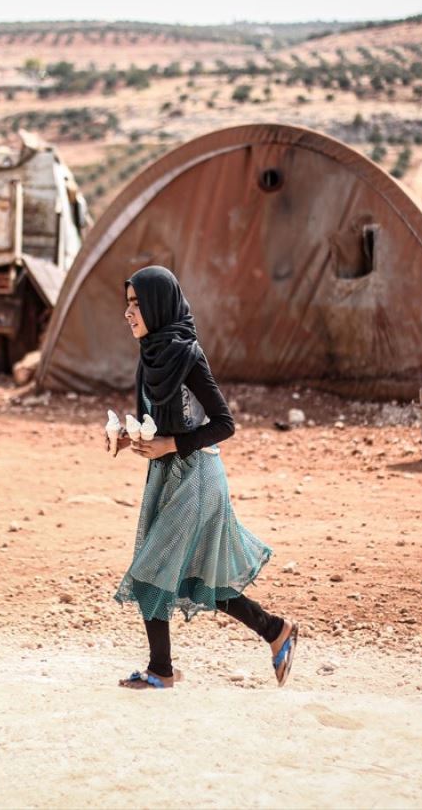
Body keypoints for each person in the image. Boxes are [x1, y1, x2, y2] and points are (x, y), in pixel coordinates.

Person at [107, 266, 297, 689]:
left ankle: (161, 671)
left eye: (137, 304)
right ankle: (276, 631)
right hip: (168, 476)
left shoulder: (186, 356)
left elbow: (225, 424)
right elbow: (154, 423)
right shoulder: (152, 354)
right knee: (198, 576)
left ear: (158, 306)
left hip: (197, 477)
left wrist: (171, 445)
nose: (128, 313)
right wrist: (128, 438)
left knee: (150, 570)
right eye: (128, 303)